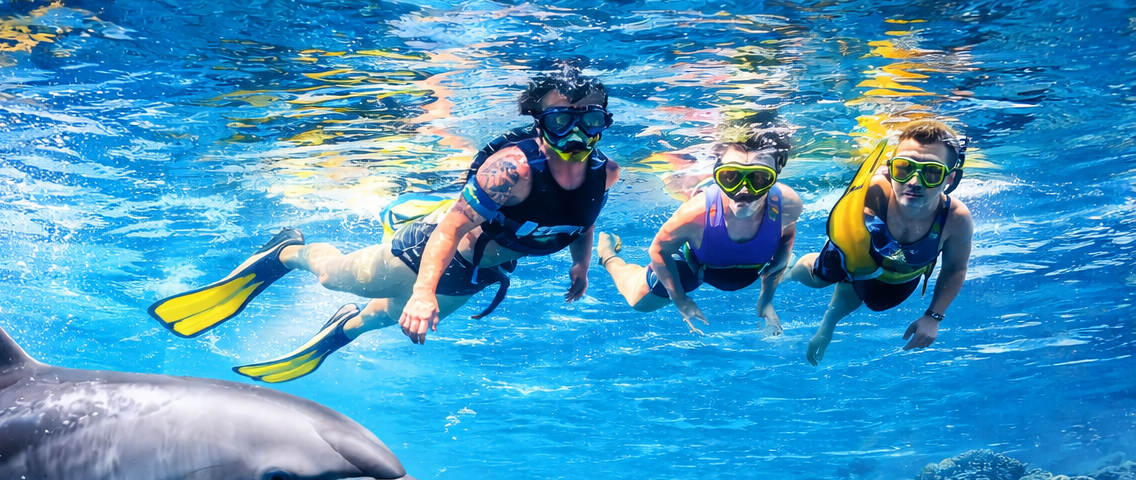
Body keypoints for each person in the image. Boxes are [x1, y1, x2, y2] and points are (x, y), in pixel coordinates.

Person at [146, 62, 621, 382]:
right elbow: (452, 227)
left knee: (388, 318)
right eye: (561, 120)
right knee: (338, 278)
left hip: (482, 272)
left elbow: (582, 219)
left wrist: (580, 265)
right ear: (539, 120)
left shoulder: (607, 172)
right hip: (433, 251)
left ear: (604, 121)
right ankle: (286, 252)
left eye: (591, 119)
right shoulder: (512, 171)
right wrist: (421, 290)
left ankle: (340, 330)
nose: (577, 132)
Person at [784, 118, 975, 365]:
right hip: (858, 254)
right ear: (890, 169)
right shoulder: (872, 192)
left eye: (932, 172)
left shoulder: (955, 219)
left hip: (900, 276)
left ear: (949, 179)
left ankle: (827, 326)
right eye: (905, 168)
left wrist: (934, 316)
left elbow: (955, 268)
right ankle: (787, 272)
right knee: (820, 276)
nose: (915, 182)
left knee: (877, 300)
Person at [596, 123, 802, 337]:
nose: (743, 189)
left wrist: (766, 299)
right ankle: (608, 256)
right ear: (718, 173)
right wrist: (681, 300)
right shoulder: (694, 214)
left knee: (793, 264)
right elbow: (658, 251)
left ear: (776, 173)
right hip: (694, 264)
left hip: (750, 267)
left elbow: (785, 242)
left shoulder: (787, 205)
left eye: (758, 178)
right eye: (730, 176)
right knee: (638, 301)